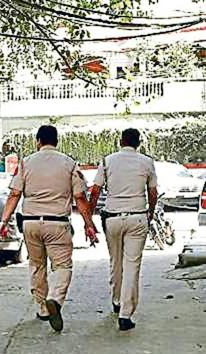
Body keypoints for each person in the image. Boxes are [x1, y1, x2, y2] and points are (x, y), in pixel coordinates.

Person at [0, 125, 98, 332]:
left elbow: (14, 194)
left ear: (38, 141)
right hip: (57, 223)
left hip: (30, 222)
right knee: (62, 266)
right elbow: (80, 197)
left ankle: (43, 308)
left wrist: (4, 221)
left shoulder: (26, 162)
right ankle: (55, 298)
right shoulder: (69, 163)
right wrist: (89, 225)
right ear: (57, 141)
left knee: (37, 265)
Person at [89, 128, 157, 331]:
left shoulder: (107, 161)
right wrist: (150, 213)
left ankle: (117, 300)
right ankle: (125, 315)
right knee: (132, 265)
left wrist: (89, 219)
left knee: (115, 261)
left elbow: (95, 191)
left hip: (112, 218)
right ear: (139, 143)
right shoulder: (147, 162)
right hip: (137, 217)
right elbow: (153, 192)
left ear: (120, 141)